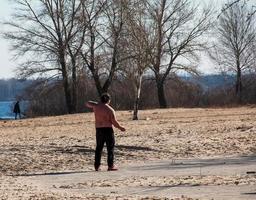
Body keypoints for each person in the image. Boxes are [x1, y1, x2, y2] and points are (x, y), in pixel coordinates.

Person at [86, 93, 126, 171]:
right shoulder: (110, 110)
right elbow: (114, 122)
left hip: (99, 129)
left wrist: (97, 103)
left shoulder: (96, 106)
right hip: (108, 129)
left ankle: (97, 166)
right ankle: (110, 166)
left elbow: (87, 103)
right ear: (108, 100)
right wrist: (121, 128)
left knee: (99, 148)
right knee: (110, 148)